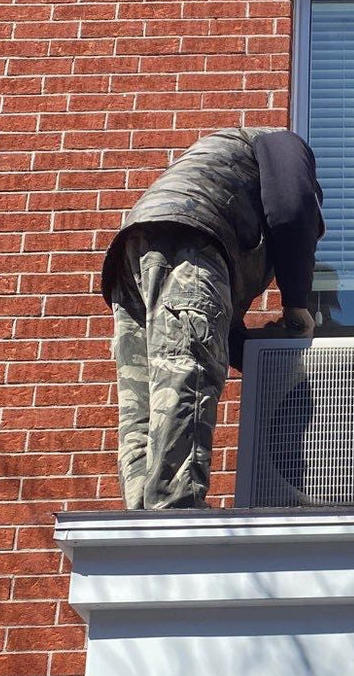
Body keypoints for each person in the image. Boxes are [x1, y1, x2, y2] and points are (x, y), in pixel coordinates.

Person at [100, 127, 325, 510]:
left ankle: (140, 515)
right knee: (187, 371)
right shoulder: (281, 143)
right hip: (190, 240)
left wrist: (263, 348)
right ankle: (176, 507)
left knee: (146, 393)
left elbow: (216, 338)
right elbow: (292, 209)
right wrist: (296, 304)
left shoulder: (229, 180)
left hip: (134, 254)